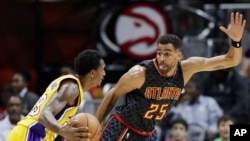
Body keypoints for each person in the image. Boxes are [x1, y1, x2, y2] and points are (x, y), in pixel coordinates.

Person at [95, 12, 246, 141]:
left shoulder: (187, 69)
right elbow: (112, 95)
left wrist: (236, 42)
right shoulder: (140, 73)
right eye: (159, 53)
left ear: (179, 55)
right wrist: (96, 125)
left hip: (148, 133)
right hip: (123, 128)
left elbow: (231, 60)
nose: (161, 58)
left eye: (167, 54)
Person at [7, 49, 106, 141]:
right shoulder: (73, 88)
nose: (104, 73)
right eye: (103, 69)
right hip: (30, 134)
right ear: (92, 72)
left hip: (30, 134)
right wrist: (62, 130)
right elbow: (45, 114)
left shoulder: (73, 85)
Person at [169, 77, 223, 141]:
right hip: (184, 133)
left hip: (203, 133)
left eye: (190, 87)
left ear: (198, 89)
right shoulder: (183, 103)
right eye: (186, 87)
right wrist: (180, 103)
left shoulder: (208, 101)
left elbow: (217, 120)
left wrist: (211, 130)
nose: (187, 90)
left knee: (196, 130)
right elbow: (173, 119)